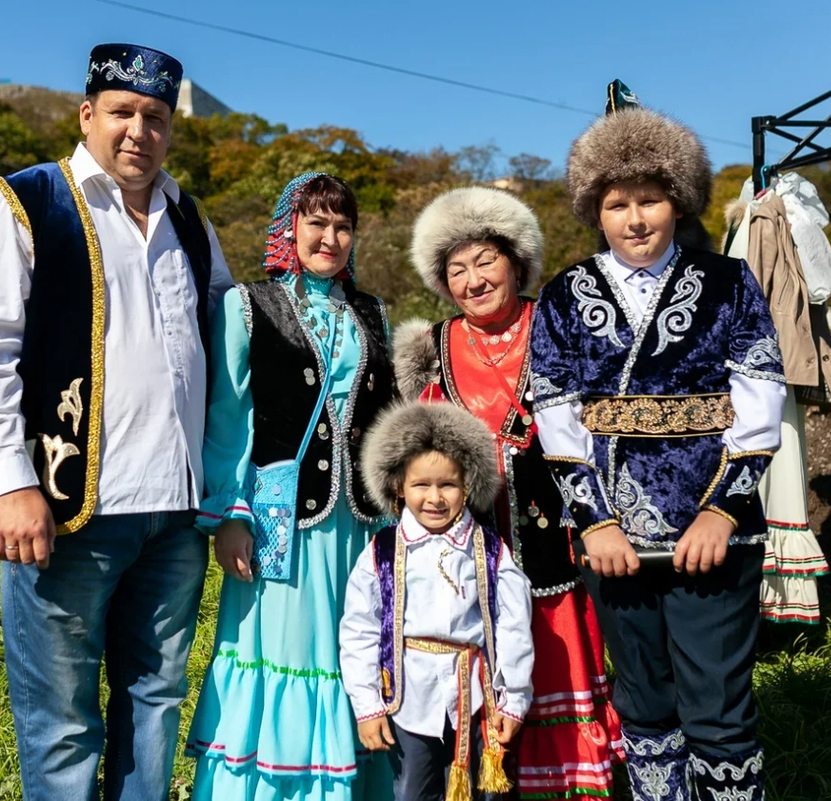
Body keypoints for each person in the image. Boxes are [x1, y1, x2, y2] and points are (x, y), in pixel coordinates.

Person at [0, 43, 233, 800]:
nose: (139, 130)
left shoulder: (192, 223)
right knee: (62, 724)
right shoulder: (26, 201)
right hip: (69, 511)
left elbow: (234, 348)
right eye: (123, 113)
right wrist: (8, 482)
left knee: (155, 705)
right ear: (87, 115)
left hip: (172, 514)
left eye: (156, 117)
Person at [529, 102, 786, 800]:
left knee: (718, 711)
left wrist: (724, 515)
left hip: (714, 532)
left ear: (678, 200)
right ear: (595, 210)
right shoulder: (562, 295)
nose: (636, 218)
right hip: (614, 540)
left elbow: (762, 398)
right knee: (643, 705)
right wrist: (596, 521)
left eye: (651, 199)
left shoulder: (730, 283)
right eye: (618, 204)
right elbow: (555, 414)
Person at [393, 186, 624, 799]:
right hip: (472, 550)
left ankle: (571, 780)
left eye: (484, 261)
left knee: (555, 654)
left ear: (517, 262)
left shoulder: (560, 324)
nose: (472, 280)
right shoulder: (432, 348)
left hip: (559, 537)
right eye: (457, 269)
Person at [185, 172, 396, 800]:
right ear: (289, 229)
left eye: (342, 225)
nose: (330, 236)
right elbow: (228, 417)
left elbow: (387, 414)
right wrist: (230, 514)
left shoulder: (372, 312)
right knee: (286, 647)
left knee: (352, 652)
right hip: (279, 523)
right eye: (316, 222)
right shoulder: (247, 305)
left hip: (360, 525)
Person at [341, 400, 534, 801]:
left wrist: (513, 698)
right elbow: (359, 629)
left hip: (480, 701)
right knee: (414, 791)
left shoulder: (489, 550)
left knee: (488, 793)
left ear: (468, 485)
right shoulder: (382, 551)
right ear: (399, 486)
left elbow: (514, 625)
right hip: (410, 700)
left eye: (447, 484)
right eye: (420, 485)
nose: (434, 498)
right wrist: (368, 705)